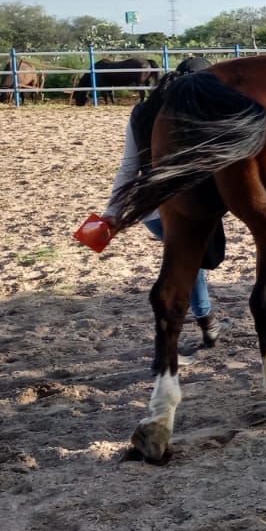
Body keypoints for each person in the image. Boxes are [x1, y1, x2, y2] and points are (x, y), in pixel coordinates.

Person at [95, 56, 222, 353]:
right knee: (189, 264)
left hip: (152, 209)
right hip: (193, 208)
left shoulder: (143, 111)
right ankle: (208, 324)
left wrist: (113, 211)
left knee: (190, 261)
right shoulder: (206, 111)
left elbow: (128, 167)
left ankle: (208, 322)